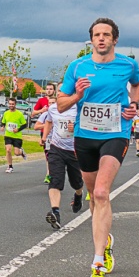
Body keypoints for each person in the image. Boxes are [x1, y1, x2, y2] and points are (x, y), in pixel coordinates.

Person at [57, 18, 139, 277]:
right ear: (91, 40)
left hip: (116, 133)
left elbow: (138, 84)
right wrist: (77, 96)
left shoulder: (127, 65)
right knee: (93, 195)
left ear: (114, 39)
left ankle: (97, 261)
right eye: (97, 35)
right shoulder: (78, 66)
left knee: (103, 193)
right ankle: (104, 240)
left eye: (106, 35)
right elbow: (60, 105)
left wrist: (134, 104)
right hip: (85, 137)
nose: (102, 39)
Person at [43, 85, 84, 230]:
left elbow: (90, 125)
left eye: (64, 90)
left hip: (74, 150)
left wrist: (77, 126)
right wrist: (44, 136)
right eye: (59, 90)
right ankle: (55, 212)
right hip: (56, 148)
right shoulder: (53, 108)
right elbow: (48, 121)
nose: (61, 93)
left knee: (76, 182)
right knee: (55, 180)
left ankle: (78, 195)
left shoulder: (79, 107)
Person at [0, 97, 28, 173]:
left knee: (16, 153)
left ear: (15, 104)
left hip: (17, 136)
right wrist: (2, 126)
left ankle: (21, 152)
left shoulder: (19, 114)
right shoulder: (6, 113)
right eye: (10, 104)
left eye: (13, 104)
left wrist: (18, 129)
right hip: (8, 135)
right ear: (8, 104)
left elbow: (25, 125)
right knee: (8, 150)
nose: (11, 105)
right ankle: (10, 166)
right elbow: (3, 122)